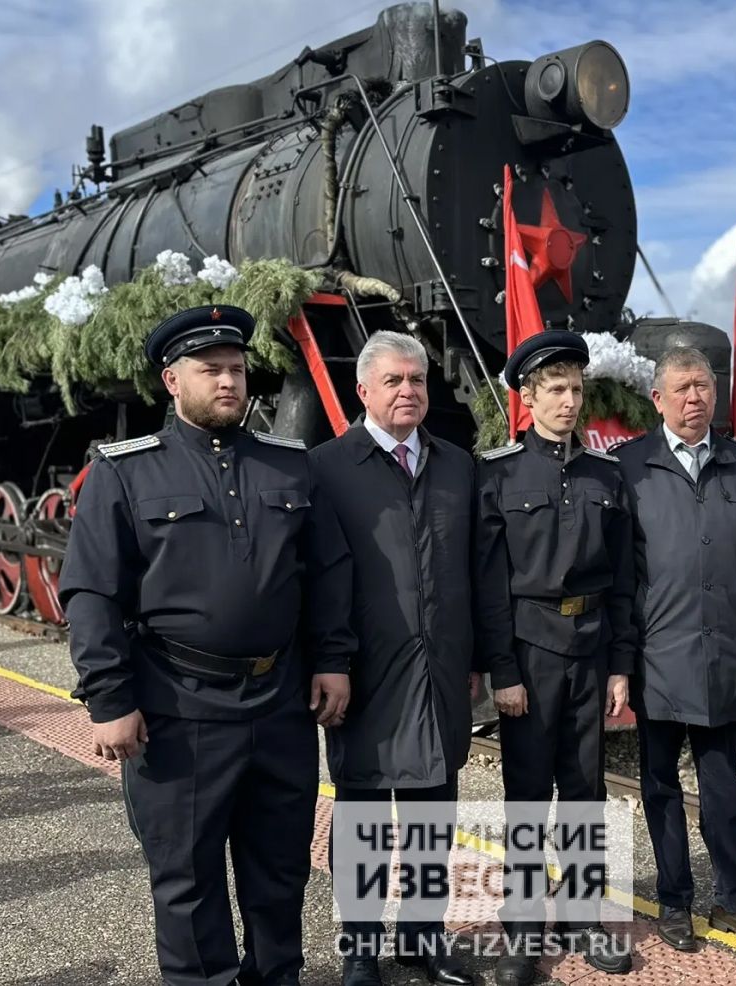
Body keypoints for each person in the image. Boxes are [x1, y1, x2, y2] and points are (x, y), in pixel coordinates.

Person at [59, 304, 355, 986]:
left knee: (280, 868)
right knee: (187, 878)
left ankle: (276, 977)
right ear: (172, 380)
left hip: (279, 701)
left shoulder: (288, 466)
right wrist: (109, 697)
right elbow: (92, 592)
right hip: (176, 704)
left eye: (237, 370)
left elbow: (328, 571)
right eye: (210, 370)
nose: (228, 382)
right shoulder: (127, 471)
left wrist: (333, 660)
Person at [612, 346, 736, 955]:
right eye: (683, 389)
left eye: (705, 388)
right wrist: (622, 661)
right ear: (658, 399)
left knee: (724, 786)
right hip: (659, 657)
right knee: (660, 785)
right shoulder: (630, 467)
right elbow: (619, 576)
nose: (696, 399)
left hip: (728, 656)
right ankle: (674, 901)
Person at [310, 331, 477, 986]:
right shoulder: (326, 468)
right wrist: (328, 660)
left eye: (417, 380)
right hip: (365, 674)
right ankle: (358, 946)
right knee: (363, 816)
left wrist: (480, 659)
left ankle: (422, 935)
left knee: (435, 811)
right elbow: (319, 578)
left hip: (440, 671)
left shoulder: (458, 466)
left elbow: (476, 569)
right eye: (394, 382)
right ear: (363, 392)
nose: (408, 391)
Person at [474, 330, 636, 986]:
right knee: (524, 796)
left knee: (584, 793)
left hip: (591, 650)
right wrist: (502, 672)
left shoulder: (606, 476)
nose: (569, 402)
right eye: (555, 390)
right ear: (528, 397)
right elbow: (488, 583)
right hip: (530, 652)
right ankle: (519, 928)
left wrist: (621, 665)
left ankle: (581, 916)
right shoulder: (500, 474)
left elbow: (622, 579)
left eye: (576, 389)